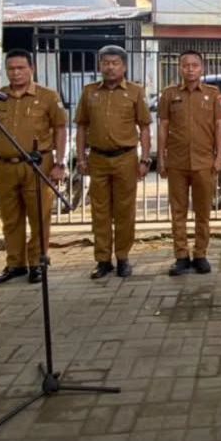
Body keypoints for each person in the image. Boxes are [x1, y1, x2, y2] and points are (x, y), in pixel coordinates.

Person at [0, 49, 68, 284]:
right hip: (5, 166)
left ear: (32, 69)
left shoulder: (48, 97)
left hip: (38, 165)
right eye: (11, 69)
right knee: (10, 219)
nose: (16, 73)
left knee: (39, 216)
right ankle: (15, 264)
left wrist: (60, 163)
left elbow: (60, 129)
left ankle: (38, 262)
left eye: (21, 68)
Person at [75, 45, 151, 279]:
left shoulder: (135, 92)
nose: (109, 67)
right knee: (100, 212)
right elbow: (81, 126)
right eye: (105, 62)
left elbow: (145, 127)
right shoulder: (89, 92)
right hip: (97, 158)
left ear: (124, 66)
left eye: (114, 63)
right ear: (100, 66)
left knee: (125, 211)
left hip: (125, 159)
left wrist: (145, 158)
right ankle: (102, 260)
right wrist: (81, 156)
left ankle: (123, 258)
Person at [157, 50, 221, 275]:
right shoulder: (169, 94)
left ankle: (200, 254)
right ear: (180, 68)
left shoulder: (213, 94)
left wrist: (219, 157)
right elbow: (163, 127)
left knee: (203, 211)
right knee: (178, 211)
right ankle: (180, 255)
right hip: (177, 162)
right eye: (185, 65)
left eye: (194, 65)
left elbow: (219, 127)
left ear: (202, 69)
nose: (190, 69)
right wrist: (161, 157)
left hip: (204, 161)